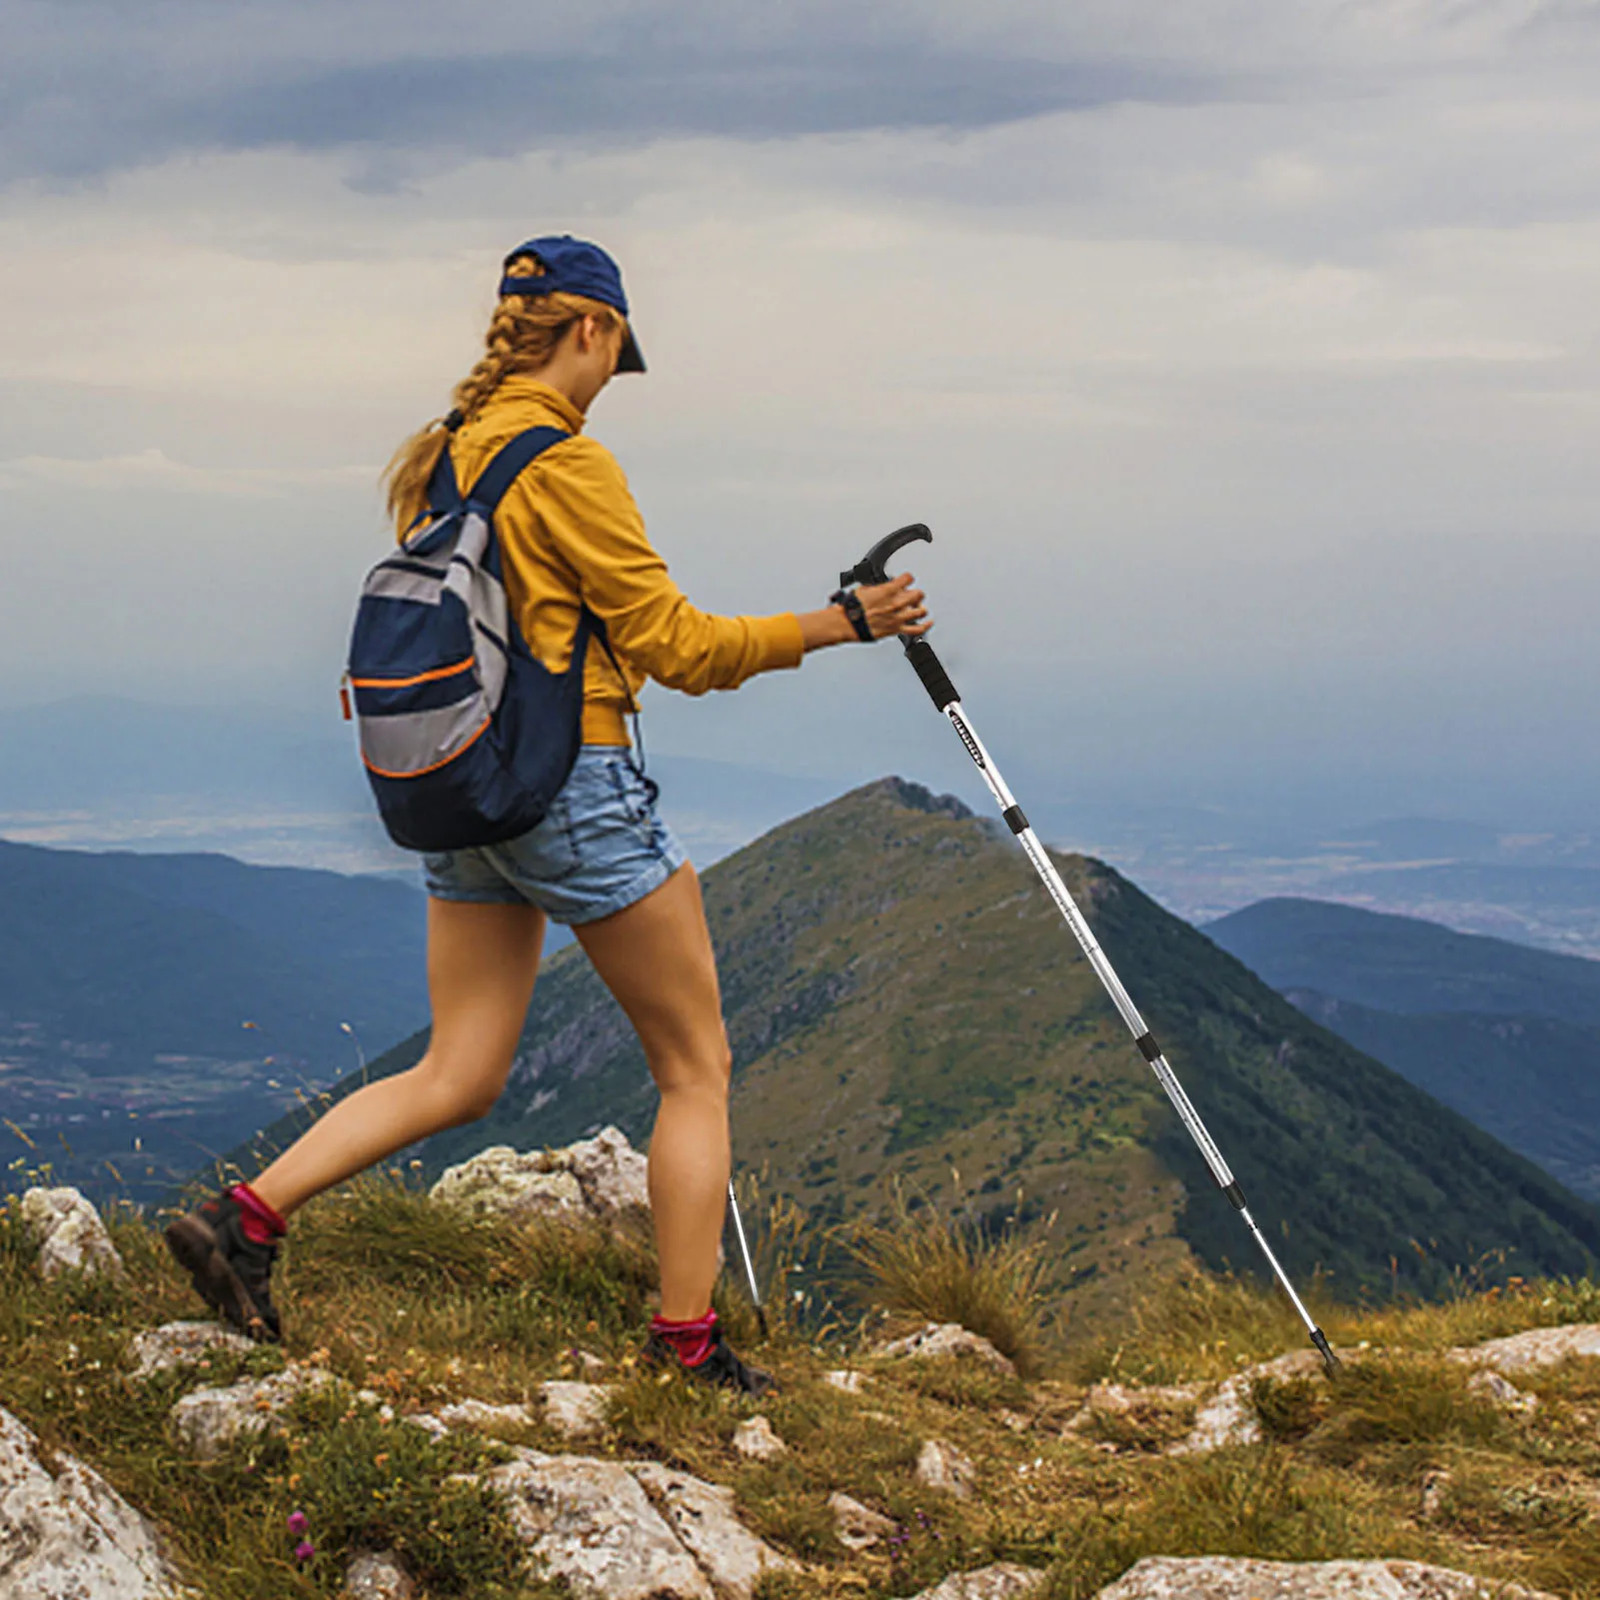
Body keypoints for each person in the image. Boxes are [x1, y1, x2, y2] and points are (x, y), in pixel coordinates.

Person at [164, 233, 930, 1393]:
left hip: (466, 788)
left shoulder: (444, 459)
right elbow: (683, 648)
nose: (610, 378)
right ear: (593, 331)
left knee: (459, 1071)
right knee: (694, 1068)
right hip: (575, 789)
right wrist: (842, 622)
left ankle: (247, 1220)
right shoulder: (569, 468)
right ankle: (687, 1345)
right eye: (613, 352)